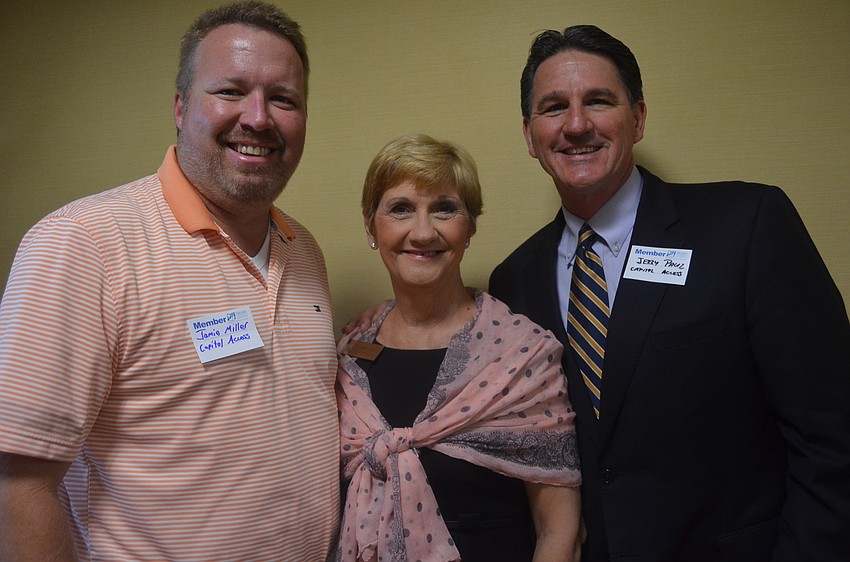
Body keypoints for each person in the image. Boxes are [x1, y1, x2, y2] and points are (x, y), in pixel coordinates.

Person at [487, 25, 850, 562]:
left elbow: (832, 434)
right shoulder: (514, 281)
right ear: (529, 133)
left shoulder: (745, 227)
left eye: (599, 101)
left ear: (637, 118)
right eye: (554, 107)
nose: (577, 124)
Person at [0, 2, 340, 560]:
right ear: (181, 108)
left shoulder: (304, 253)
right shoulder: (84, 244)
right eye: (230, 91)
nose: (258, 117)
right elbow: (16, 483)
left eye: (283, 98)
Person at [335, 133, 582, 562]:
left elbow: (559, 530)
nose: (424, 231)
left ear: (469, 227)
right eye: (401, 209)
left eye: (444, 209)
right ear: (371, 227)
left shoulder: (523, 356)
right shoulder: (349, 354)